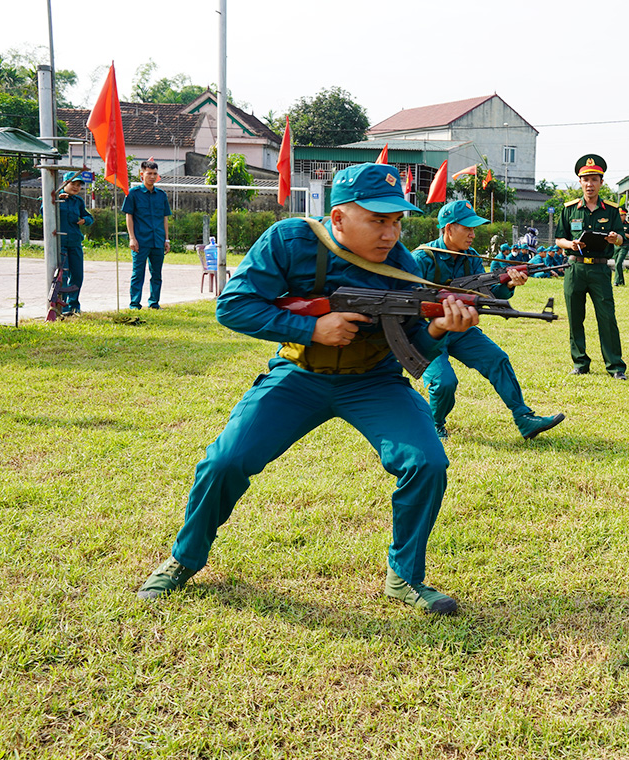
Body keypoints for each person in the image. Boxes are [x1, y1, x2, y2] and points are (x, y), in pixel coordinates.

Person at [137, 164, 480, 615]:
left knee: (428, 461)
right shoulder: (290, 240)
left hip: (374, 381)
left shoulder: (403, 267)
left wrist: (437, 329)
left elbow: (409, 350)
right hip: (299, 374)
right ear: (338, 219)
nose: (391, 233)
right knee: (225, 461)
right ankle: (185, 558)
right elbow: (233, 307)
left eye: (396, 221)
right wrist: (310, 329)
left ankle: (405, 577)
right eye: (378, 220)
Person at [413, 200, 565, 440]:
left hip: (461, 327)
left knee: (497, 360)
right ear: (449, 228)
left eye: (474, 229)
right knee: (444, 383)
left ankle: (524, 418)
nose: (473, 234)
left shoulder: (471, 257)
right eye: (468, 228)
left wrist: (510, 284)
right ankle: (435, 424)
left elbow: (488, 295)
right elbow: (406, 300)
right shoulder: (423, 258)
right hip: (429, 332)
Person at [555, 154, 627, 379]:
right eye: (585, 179)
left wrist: (615, 238)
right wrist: (572, 244)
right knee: (575, 318)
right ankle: (580, 363)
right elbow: (559, 239)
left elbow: (622, 238)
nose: (590, 184)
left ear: (601, 182)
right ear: (580, 182)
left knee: (607, 317)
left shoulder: (612, 211)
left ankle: (615, 367)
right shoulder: (569, 209)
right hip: (574, 269)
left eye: (594, 179)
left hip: (600, 269)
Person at [121, 159, 172, 309]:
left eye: (154, 174)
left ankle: (154, 303)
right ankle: (134, 303)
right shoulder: (133, 194)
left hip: (157, 240)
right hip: (140, 241)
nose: (152, 176)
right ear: (141, 175)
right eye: (149, 173)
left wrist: (166, 239)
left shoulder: (161, 195)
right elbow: (129, 216)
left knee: (156, 274)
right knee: (138, 273)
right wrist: (132, 238)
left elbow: (165, 218)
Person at [57, 171, 94, 314]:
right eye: (73, 183)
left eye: (79, 185)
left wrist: (85, 220)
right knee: (63, 275)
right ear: (65, 183)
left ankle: (74, 305)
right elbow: (44, 211)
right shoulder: (54, 196)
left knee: (77, 274)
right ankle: (62, 305)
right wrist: (55, 199)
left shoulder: (78, 201)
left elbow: (88, 216)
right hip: (60, 243)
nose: (76, 187)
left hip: (75, 242)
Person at [613, 206, 629, 286]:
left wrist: (625, 234)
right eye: (619, 215)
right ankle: (621, 281)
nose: (620, 217)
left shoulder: (628, 225)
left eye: (622, 215)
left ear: (625, 215)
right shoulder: (615, 225)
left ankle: (616, 281)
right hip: (616, 246)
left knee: (618, 263)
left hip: (624, 246)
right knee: (617, 264)